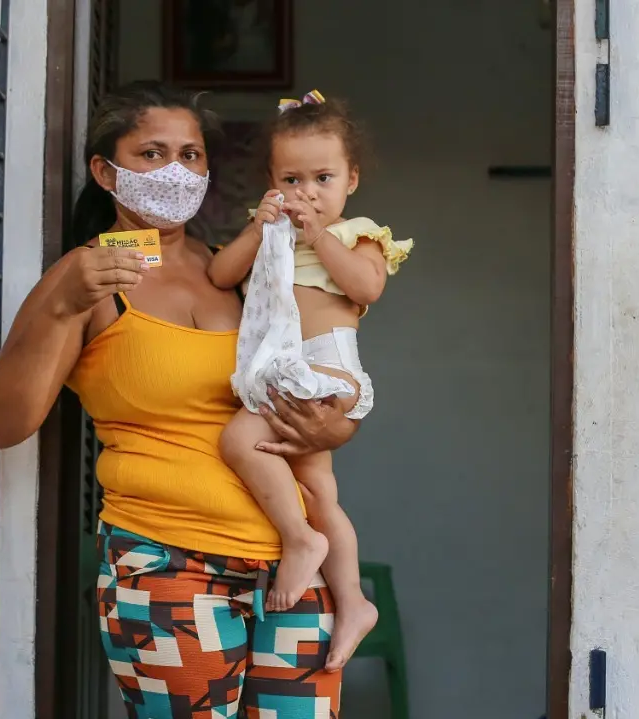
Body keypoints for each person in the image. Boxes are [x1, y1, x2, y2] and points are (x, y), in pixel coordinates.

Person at [0, 81, 359, 717]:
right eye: (152, 154)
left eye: (192, 155)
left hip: (292, 561)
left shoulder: (236, 269)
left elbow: (310, 381)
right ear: (106, 170)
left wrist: (332, 432)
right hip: (167, 564)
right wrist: (64, 303)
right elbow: (3, 424)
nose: (177, 171)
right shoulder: (91, 272)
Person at [209, 91, 413, 670]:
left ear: (351, 179)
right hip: (279, 367)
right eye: (291, 179)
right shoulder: (269, 230)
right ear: (272, 182)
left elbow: (366, 289)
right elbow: (220, 273)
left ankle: (299, 540)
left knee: (237, 442)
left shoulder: (358, 233)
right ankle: (352, 603)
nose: (307, 193)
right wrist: (259, 228)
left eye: (323, 177)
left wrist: (319, 236)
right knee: (322, 493)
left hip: (325, 364)